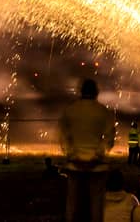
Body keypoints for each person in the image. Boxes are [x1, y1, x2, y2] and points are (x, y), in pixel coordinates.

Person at [59, 78, 117, 222]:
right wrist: (96, 156)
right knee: (96, 206)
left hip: (74, 165)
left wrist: (73, 155)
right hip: (97, 167)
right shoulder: (103, 111)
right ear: (96, 92)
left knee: (72, 204)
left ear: (81, 91)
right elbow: (109, 138)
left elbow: (63, 136)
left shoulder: (70, 110)